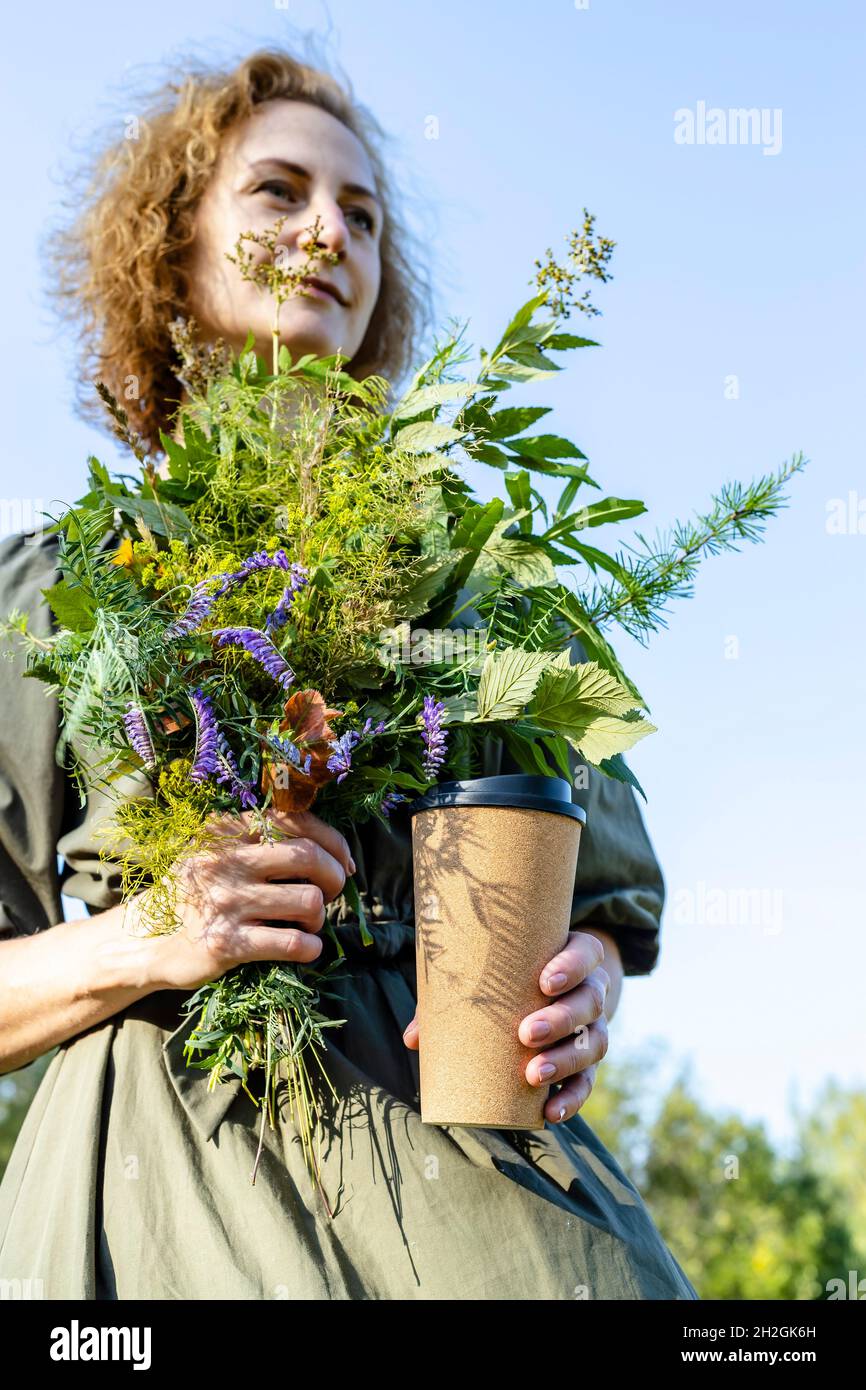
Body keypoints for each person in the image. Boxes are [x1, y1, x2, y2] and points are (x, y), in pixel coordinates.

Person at [0, 47, 698, 1300]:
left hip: (487, 1207)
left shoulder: (486, 592)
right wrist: (146, 936)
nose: (330, 229)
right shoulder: (58, 593)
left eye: (363, 214)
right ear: (169, 249)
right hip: (160, 1213)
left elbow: (593, 906)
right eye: (277, 191)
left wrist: (581, 986)